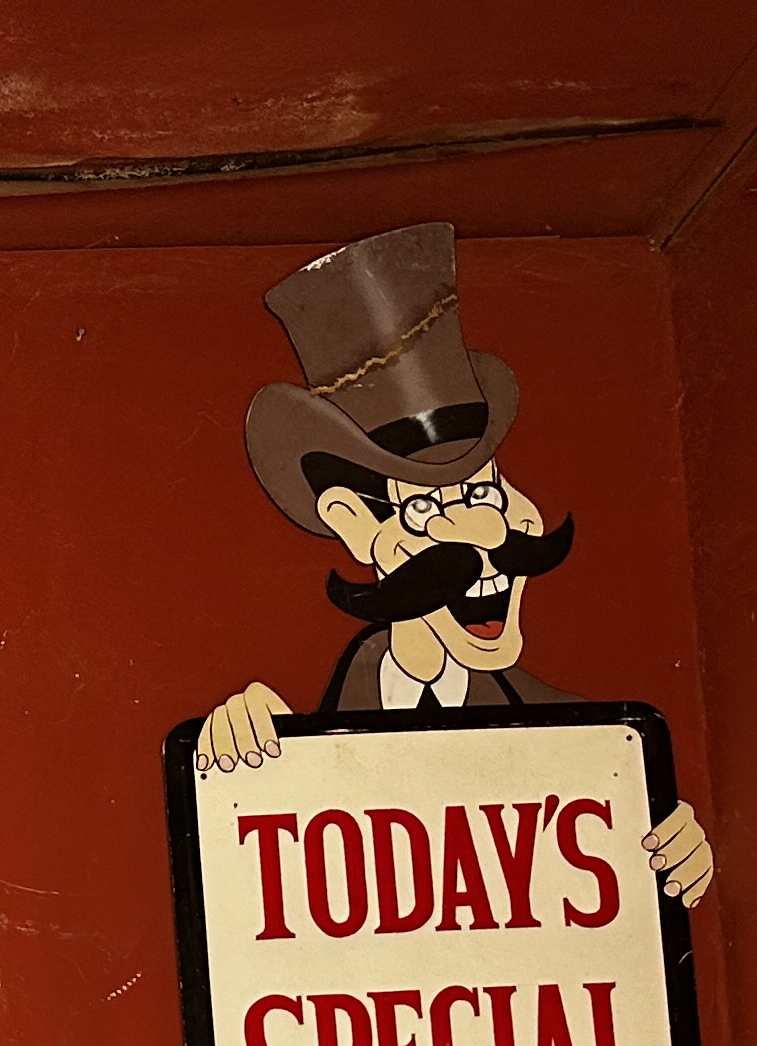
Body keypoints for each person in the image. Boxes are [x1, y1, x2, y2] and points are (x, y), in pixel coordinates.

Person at [187, 220, 713, 907]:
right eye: (427, 510)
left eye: (484, 493)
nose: (485, 536)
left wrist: (669, 850)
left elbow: (612, 912)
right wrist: (245, 765)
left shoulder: (591, 746)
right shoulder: (305, 744)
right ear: (354, 525)